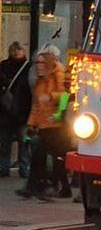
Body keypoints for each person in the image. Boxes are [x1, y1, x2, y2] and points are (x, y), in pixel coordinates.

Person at [16, 45, 70, 199]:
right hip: (46, 124)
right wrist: (31, 124)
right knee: (52, 158)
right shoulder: (40, 80)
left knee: (43, 156)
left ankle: (38, 186)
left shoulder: (58, 74)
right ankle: (57, 187)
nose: (38, 66)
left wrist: (52, 97)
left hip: (57, 125)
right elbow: (36, 105)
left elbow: (65, 95)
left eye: (41, 63)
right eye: (37, 63)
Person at [0, 42, 31, 178]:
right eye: (15, 51)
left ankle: (10, 168)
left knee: (20, 142)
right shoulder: (28, 68)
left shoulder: (28, 67)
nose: (17, 53)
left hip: (16, 112)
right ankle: (18, 169)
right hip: (12, 111)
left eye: (19, 50)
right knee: (16, 143)